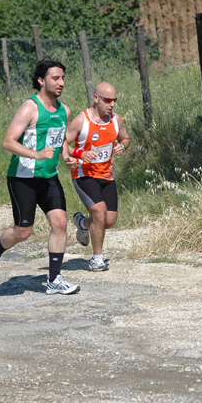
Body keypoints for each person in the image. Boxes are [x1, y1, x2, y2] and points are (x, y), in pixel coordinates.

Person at [0, 60, 80, 295]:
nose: (61, 82)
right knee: (23, 232)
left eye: (63, 77)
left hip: (49, 177)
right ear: (41, 81)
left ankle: (54, 280)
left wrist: (66, 157)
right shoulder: (29, 108)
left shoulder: (64, 111)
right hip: (23, 177)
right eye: (56, 78)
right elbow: (8, 142)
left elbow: (60, 141)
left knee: (60, 223)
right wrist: (36, 154)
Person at [67, 82, 130, 272]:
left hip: (106, 174)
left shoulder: (115, 120)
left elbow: (126, 138)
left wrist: (122, 146)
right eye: (107, 100)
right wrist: (79, 153)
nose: (111, 104)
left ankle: (82, 223)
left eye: (114, 101)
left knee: (109, 221)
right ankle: (96, 258)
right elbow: (62, 144)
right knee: (99, 213)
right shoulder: (81, 121)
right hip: (84, 174)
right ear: (96, 98)